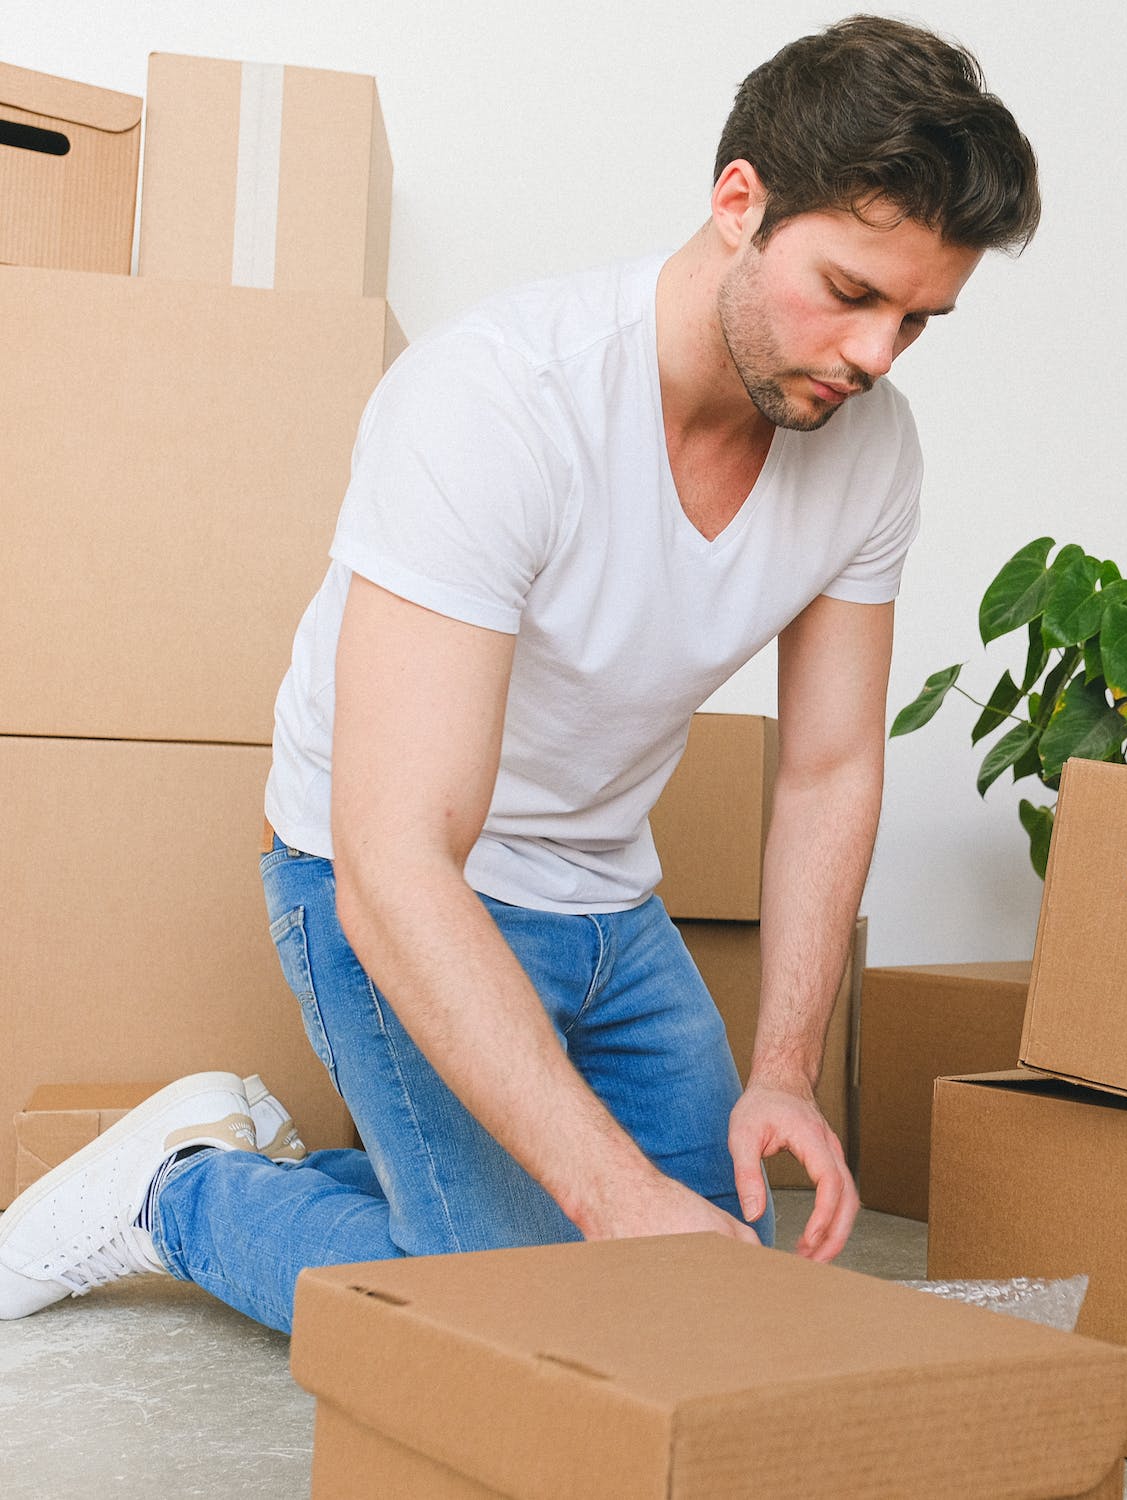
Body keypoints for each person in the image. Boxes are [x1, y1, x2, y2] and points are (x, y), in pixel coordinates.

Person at [0, 16, 1040, 1331]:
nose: (876, 356)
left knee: (705, 1285)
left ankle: (434, 1197)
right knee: (536, 1314)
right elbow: (395, 857)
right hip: (377, 880)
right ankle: (181, 1191)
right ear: (740, 204)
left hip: (606, 897)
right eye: (849, 292)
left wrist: (783, 1073)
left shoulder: (872, 449)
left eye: (919, 319)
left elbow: (828, 770)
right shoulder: (495, 403)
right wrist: (604, 1196)